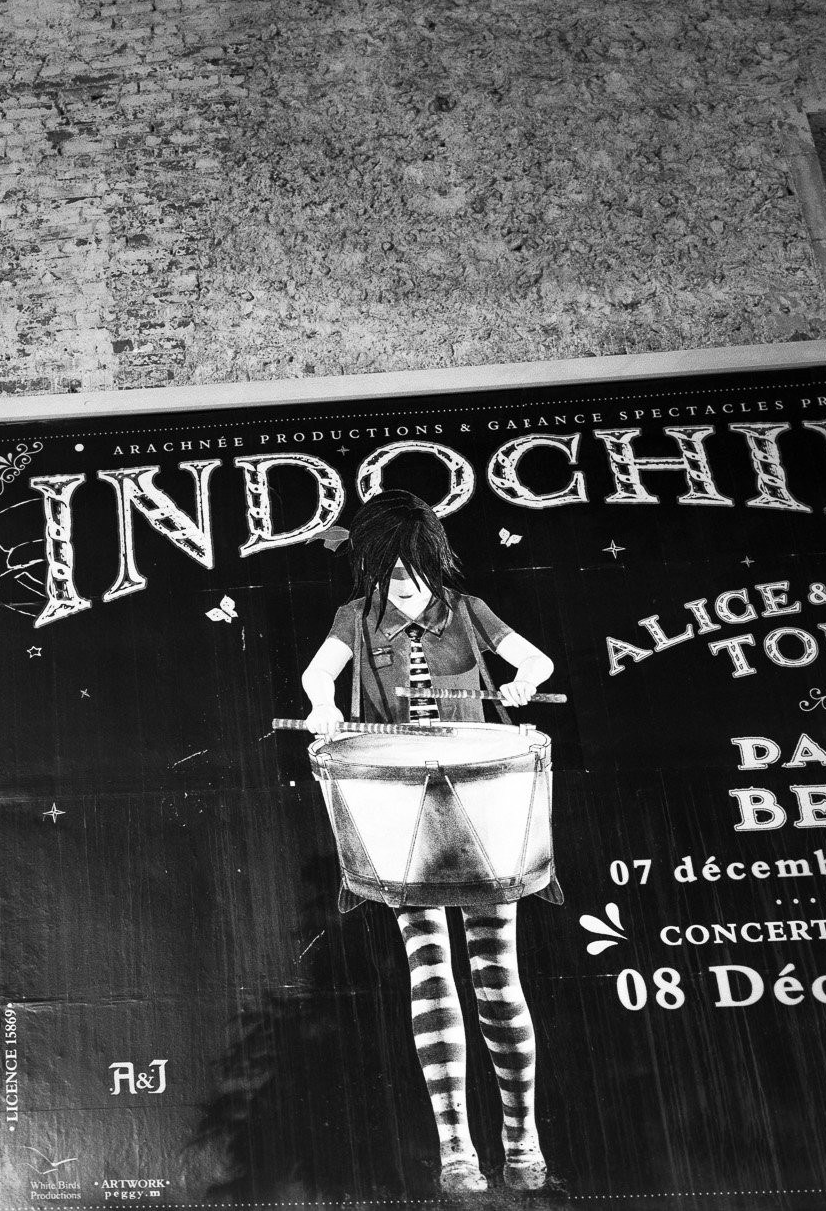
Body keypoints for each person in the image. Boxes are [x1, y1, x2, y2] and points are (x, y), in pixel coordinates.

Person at [299, 490, 555, 1195]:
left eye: (413, 568)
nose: (403, 584)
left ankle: (522, 1138)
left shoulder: (466, 610)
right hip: (398, 795)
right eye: (389, 571)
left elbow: (534, 660)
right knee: (429, 967)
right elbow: (318, 673)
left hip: (483, 789)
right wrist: (323, 706)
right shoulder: (356, 618)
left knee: (497, 974)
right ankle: (456, 1150)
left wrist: (528, 677)